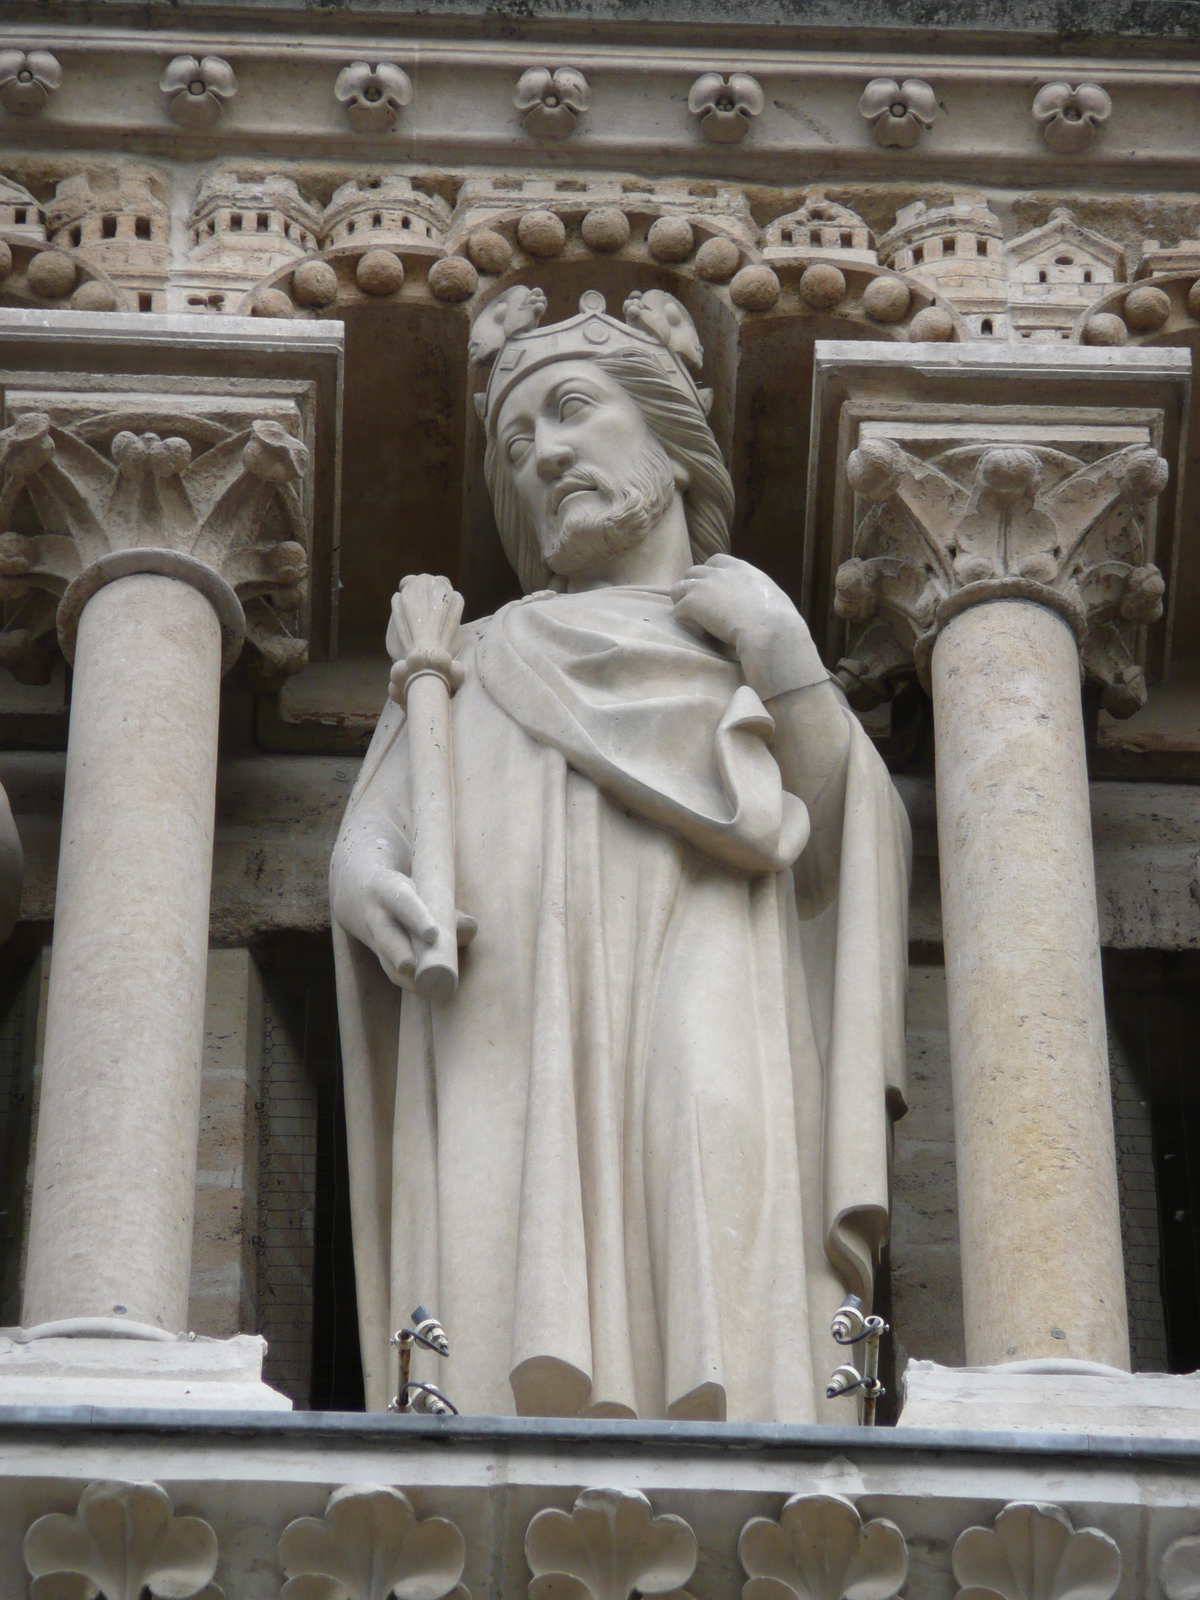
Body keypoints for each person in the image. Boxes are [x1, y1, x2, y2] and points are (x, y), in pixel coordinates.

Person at [330, 286, 910, 1421]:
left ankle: (751, 1407)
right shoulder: (479, 657)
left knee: (715, 1145)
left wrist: (785, 657)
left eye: (571, 411)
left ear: (667, 435)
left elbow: (848, 845)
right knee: (512, 1194)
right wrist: (367, 882)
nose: (543, 455)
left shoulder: (746, 634)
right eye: (517, 441)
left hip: (713, 962)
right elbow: (382, 827)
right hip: (515, 993)